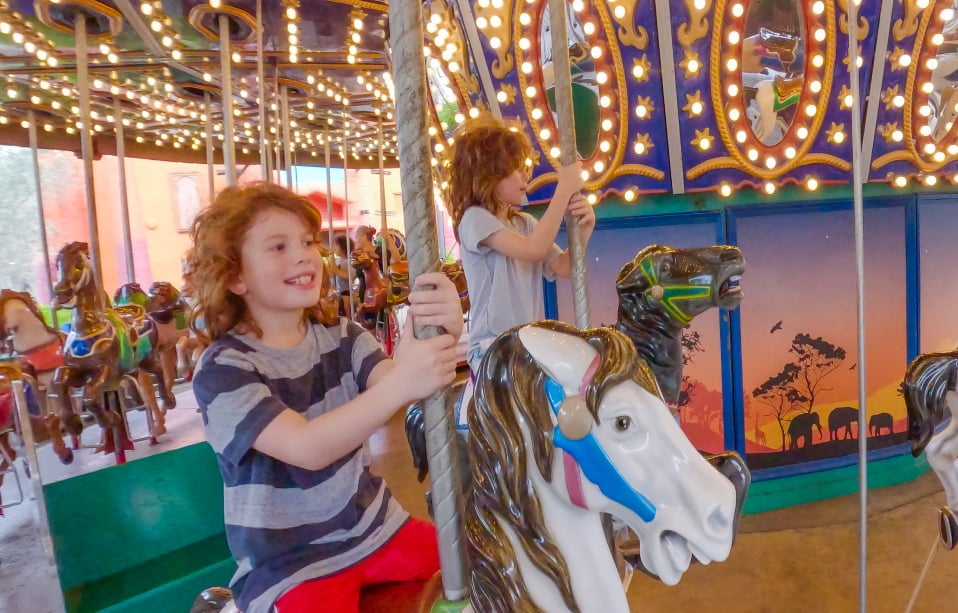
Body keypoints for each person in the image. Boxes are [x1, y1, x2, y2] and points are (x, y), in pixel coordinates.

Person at [187, 182, 463, 613]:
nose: (303, 255)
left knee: (477, 566)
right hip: (295, 563)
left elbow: (401, 383)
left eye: (307, 242)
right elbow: (306, 447)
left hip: (377, 529)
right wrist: (403, 383)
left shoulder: (343, 337)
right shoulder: (223, 370)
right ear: (235, 276)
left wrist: (439, 325)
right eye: (278, 247)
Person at [446, 113, 595, 374]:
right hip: (491, 346)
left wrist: (584, 228)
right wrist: (562, 191)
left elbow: (565, 267)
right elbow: (533, 250)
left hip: (525, 342)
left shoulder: (524, 223)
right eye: (515, 169)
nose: (525, 175)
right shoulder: (474, 219)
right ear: (489, 175)